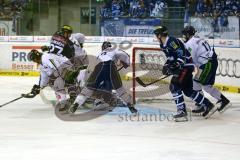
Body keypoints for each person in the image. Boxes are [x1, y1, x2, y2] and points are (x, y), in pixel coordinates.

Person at [153, 26, 216, 122]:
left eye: (156, 35)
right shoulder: (163, 45)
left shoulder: (171, 42)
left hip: (185, 66)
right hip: (184, 67)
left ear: (160, 35)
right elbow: (171, 58)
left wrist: (175, 65)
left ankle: (182, 112)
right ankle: (209, 105)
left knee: (174, 86)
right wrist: (167, 66)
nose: (155, 37)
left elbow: (181, 55)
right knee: (188, 91)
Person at [68, 41, 138, 114]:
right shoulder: (113, 50)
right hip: (110, 66)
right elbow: (125, 55)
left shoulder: (99, 54)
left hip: (98, 68)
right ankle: (131, 107)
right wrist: (127, 63)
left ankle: (75, 105)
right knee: (119, 89)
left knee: (88, 89)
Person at [182, 25, 230, 114]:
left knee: (204, 85)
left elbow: (190, 59)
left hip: (207, 63)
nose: (183, 36)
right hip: (209, 62)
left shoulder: (190, 43)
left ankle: (222, 101)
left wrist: (183, 67)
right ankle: (202, 104)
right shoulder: (198, 39)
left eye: (185, 34)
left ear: (189, 34)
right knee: (196, 83)